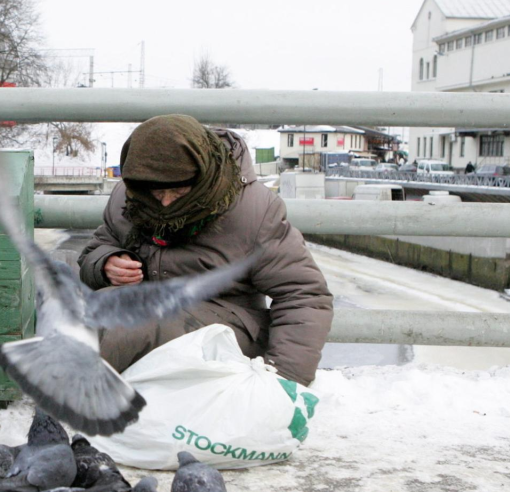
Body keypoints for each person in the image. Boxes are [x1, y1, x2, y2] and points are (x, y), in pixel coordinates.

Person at [77, 115, 333, 385]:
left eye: (178, 191)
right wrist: (106, 263)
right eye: (154, 193)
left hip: (227, 325)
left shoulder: (255, 210)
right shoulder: (128, 196)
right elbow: (96, 249)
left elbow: (303, 295)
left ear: (203, 176)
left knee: (127, 326)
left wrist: (284, 382)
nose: (165, 204)